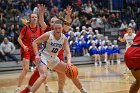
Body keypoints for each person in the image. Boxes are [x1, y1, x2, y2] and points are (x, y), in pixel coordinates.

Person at [20, 4, 72, 93]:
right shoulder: (48, 30)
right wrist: (41, 13)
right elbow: (41, 22)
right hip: (45, 56)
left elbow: (67, 24)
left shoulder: (62, 32)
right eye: (52, 22)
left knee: (63, 73)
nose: (54, 23)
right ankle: (28, 89)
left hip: (57, 57)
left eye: (55, 22)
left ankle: (60, 90)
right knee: (40, 74)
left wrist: (68, 15)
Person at [29, 19, 87, 93]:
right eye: (55, 28)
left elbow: (68, 52)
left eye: (59, 28)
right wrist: (37, 55)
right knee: (43, 75)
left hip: (54, 59)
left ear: (62, 28)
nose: (57, 30)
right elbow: (34, 42)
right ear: (53, 28)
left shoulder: (64, 38)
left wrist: (69, 62)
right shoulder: (48, 35)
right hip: (43, 57)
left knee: (70, 70)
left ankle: (78, 90)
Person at [15, 13, 44, 93]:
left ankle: (47, 86)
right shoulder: (25, 28)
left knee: (41, 69)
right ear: (30, 19)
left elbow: (42, 40)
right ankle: (18, 88)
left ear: (37, 19)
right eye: (32, 17)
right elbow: (19, 39)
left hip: (35, 51)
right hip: (26, 50)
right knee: (26, 69)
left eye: (35, 17)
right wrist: (24, 46)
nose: (34, 18)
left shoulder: (40, 29)